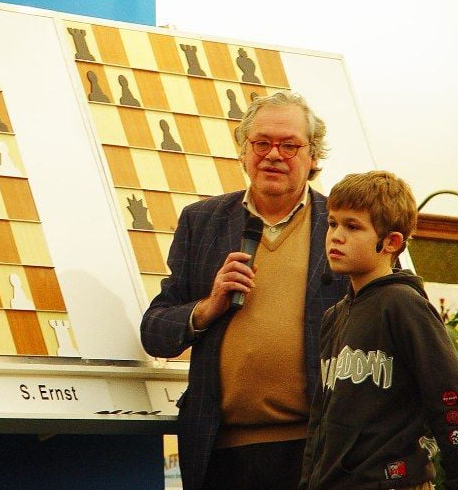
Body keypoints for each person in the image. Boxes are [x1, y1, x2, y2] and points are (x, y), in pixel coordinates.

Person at [141, 92, 349, 489]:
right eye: (262, 143)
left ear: (313, 157)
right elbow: (154, 332)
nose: (274, 155)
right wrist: (207, 307)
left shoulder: (340, 225)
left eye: (289, 145)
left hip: (317, 446)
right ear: (244, 151)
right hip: (221, 450)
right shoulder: (201, 221)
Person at [299, 171, 458, 489]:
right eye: (332, 223)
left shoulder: (403, 305)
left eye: (352, 226)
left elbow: (452, 401)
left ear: (391, 242)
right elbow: (321, 421)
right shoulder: (333, 317)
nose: (336, 235)